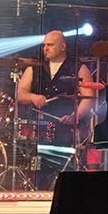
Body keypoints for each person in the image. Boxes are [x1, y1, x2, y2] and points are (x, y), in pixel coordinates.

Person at [17, 30, 95, 183]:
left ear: (62, 46)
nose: (45, 48)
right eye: (44, 45)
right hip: (38, 125)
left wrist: (75, 116)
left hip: (65, 126)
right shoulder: (35, 66)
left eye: (50, 45)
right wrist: (33, 97)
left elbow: (89, 97)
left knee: (63, 168)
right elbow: (20, 94)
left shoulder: (77, 68)